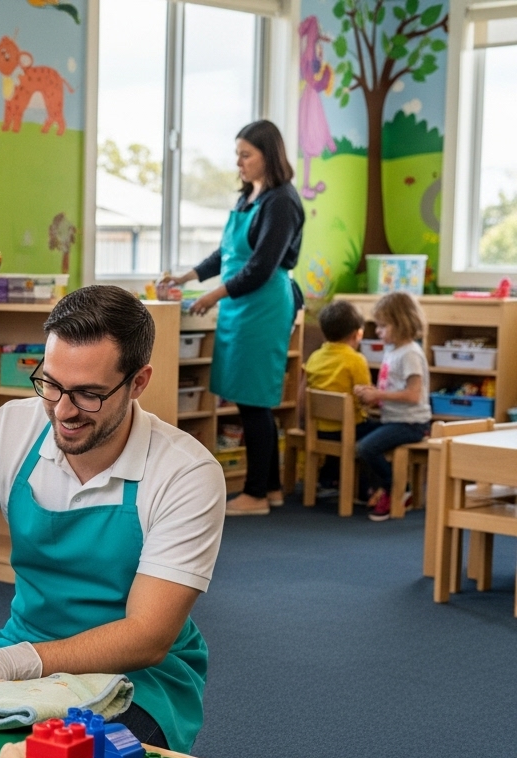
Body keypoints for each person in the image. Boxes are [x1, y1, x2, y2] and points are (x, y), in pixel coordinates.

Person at [0, 286, 225, 752]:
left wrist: (16, 663)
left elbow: (148, 637)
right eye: (51, 384)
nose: (63, 411)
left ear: (138, 382)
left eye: (89, 394)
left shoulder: (187, 473)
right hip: (21, 647)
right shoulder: (13, 428)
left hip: (138, 680)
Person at [158, 120, 305, 517]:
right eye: (237, 155)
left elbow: (259, 267)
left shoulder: (282, 202)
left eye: (246, 155)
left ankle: (255, 494)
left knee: (254, 400)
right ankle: (271, 488)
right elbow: (225, 254)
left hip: (263, 305)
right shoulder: (249, 197)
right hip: (240, 307)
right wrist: (188, 276)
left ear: (267, 156)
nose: (238, 163)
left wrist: (212, 296)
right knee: (247, 400)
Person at [353, 292, 432, 522]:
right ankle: (375, 487)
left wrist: (379, 394)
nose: (377, 331)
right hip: (393, 418)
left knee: (367, 448)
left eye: (383, 326)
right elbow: (391, 385)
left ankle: (396, 490)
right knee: (356, 435)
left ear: (401, 324)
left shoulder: (410, 354)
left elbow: (413, 395)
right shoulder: (392, 349)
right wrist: (371, 393)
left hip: (412, 423)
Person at [301, 300, 374, 491]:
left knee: (344, 428)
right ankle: (367, 487)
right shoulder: (356, 360)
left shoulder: (315, 357)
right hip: (346, 430)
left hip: (319, 427)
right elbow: (365, 397)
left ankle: (328, 478)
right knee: (378, 432)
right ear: (357, 333)